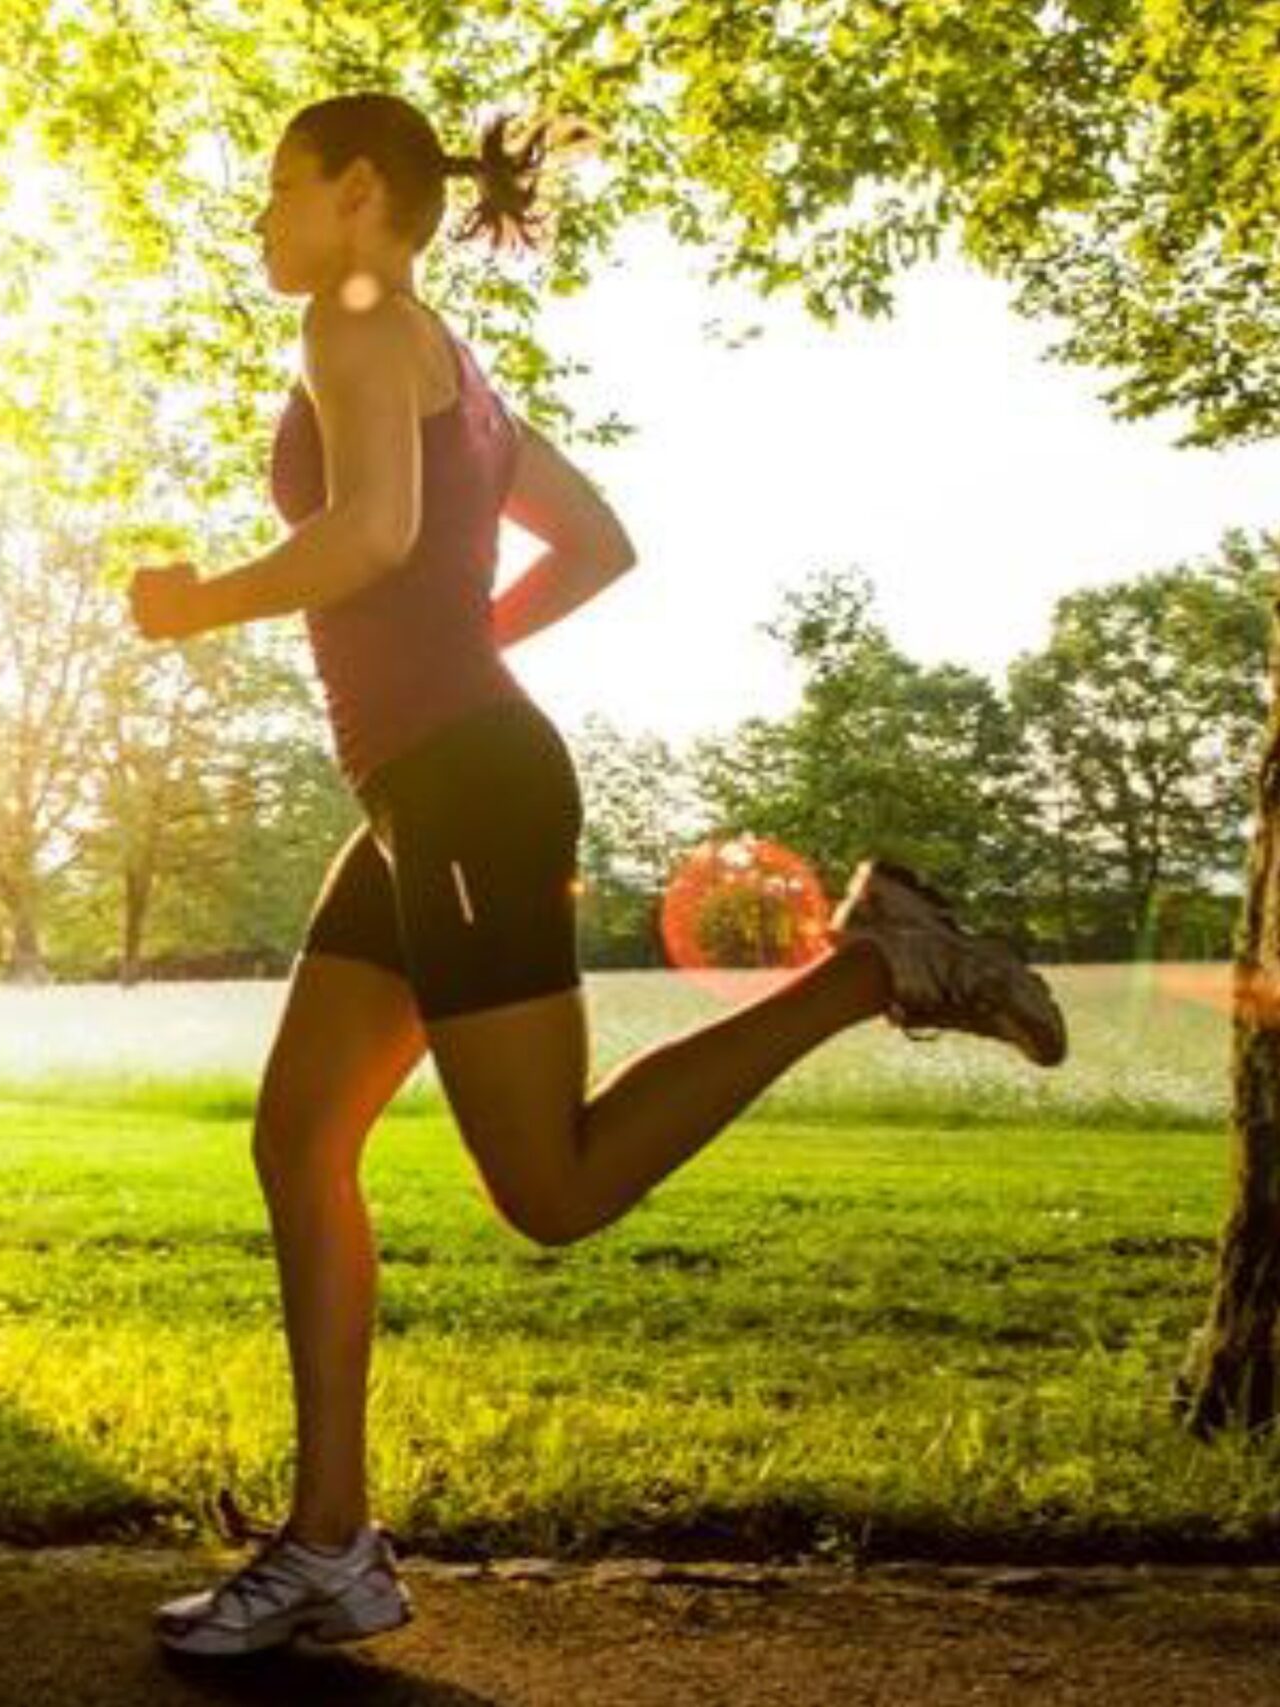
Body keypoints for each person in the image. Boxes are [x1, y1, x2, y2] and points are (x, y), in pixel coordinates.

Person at [127, 91, 1069, 1658]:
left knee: (550, 1189)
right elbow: (597, 541)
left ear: (361, 194)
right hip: (437, 782)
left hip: (466, 789)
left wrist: (201, 603)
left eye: (279, 187)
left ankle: (871, 966)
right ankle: (332, 1546)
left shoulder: (355, 319)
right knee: (301, 1139)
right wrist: (447, 652)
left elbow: (369, 535)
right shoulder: (457, 367)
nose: (262, 218)